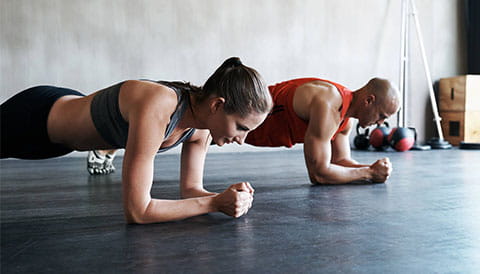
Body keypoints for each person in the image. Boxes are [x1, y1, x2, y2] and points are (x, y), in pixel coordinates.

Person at [0, 57, 273, 224]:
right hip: (36, 117)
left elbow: (190, 191)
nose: (241, 140)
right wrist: (214, 204)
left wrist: (226, 198)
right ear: (217, 105)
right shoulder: (160, 103)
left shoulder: (200, 129)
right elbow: (138, 211)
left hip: (57, 144)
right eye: (241, 127)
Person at [245, 77, 400, 184]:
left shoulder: (345, 121)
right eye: (381, 115)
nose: (380, 123)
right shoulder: (329, 104)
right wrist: (369, 173)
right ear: (369, 101)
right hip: (240, 115)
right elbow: (318, 174)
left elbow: (339, 162)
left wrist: (372, 169)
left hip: (246, 131)